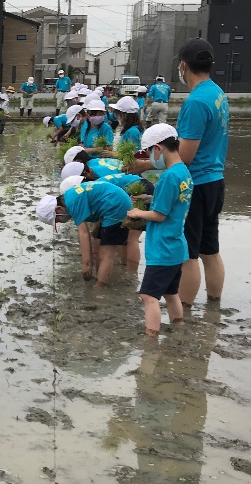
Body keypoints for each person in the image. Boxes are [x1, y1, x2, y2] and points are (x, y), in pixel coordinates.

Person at [175, 38, 229, 307]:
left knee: (188, 253)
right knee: (211, 249)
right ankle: (214, 304)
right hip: (215, 181)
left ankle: (182, 312)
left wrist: (148, 163)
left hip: (195, 185)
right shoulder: (217, 93)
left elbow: (184, 156)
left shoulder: (196, 102)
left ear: (183, 65)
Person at [127, 124, 194, 336]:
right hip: (176, 245)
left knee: (148, 296)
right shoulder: (183, 171)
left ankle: (150, 339)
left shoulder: (167, 177)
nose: (149, 158)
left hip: (162, 247)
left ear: (158, 148)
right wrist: (149, 198)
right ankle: (179, 328)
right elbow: (172, 203)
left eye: (148, 152)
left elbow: (159, 215)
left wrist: (137, 213)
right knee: (171, 293)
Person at [36, 176, 133, 286]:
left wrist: (86, 264)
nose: (60, 222)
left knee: (107, 253)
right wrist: (89, 262)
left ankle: (99, 288)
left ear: (58, 209)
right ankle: (100, 275)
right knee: (98, 240)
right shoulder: (70, 197)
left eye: (57, 220)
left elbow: (84, 233)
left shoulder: (72, 203)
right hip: (112, 202)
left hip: (116, 207)